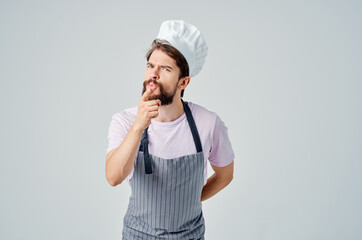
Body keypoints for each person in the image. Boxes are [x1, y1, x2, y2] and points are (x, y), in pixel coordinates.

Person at [105, 20, 235, 240]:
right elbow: (114, 177)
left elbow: (225, 175)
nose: (153, 75)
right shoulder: (125, 121)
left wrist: (190, 200)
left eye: (165, 69)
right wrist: (139, 126)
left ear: (183, 82)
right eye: (150, 65)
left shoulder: (207, 123)